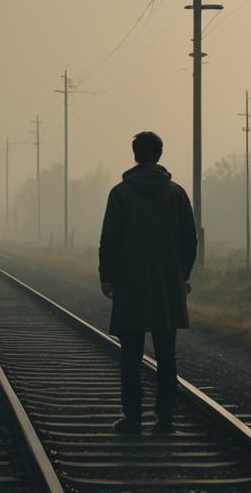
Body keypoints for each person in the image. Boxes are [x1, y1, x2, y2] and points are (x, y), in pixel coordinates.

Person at [98, 131, 197, 435]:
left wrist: (108, 277)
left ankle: (133, 418)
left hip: (130, 285)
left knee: (130, 355)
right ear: (159, 154)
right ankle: (165, 420)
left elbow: (109, 240)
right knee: (167, 355)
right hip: (168, 286)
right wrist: (182, 275)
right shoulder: (178, 194)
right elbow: (190, 241)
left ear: (135, 155)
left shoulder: (120, 193)